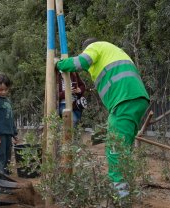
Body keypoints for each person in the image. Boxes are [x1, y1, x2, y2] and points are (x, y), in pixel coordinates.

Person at [56, 38, 150, 198]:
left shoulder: (95, 47)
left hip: (124, 100)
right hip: (138, 99)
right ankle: (128, 189)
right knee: (124, 146)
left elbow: (81, 62)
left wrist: (59, 65)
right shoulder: (114, 51)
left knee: (114, 148)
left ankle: (120, 196)